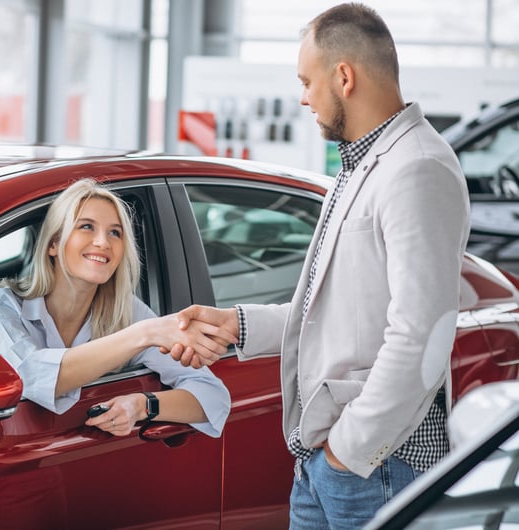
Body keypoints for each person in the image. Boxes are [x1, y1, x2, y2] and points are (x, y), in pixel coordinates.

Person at [167, 3, 471, 528]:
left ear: (344, 77)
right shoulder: (362, 164)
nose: (303, 96)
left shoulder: (417, 168)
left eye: (307, 81)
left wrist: (348, 451)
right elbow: (333, 313)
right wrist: (238, 325)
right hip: (327, 459)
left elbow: (423, 335)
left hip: (375, 464)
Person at [0, 178, 232, 438]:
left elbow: (213, 396)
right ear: (53, 244)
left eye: (115, 233)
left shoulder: (125, 311)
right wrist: (142, 335)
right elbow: (24, 377)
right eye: (87, 227)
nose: (103, 242)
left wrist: (142, 405)